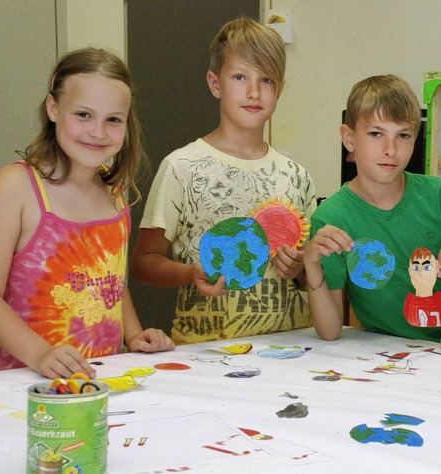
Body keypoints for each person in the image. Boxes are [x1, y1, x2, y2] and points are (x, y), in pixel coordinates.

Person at [0, 47, 174, 379]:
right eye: (83, 114)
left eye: (113, 120)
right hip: (24, 386)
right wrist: (40, 354)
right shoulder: (15, 187)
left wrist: (134, 335)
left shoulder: (114, 195)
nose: (98, 131)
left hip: (102, 383)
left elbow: (110, 282)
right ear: (53, 107)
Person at [130, 17, 316, 344]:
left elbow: (314, 271)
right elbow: (144, 264)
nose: (254, 91)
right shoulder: (181, 167)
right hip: (208, 354)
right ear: (215, 84)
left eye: (267, 79)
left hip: (289, 351)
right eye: (240, 77)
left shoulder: (297, 176)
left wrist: (301, 269)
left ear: (280, 89)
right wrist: (191, 273)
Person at [303, 74, 441, 344]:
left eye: (403, 135)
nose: (390, 149)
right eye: (376, 134)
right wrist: (310, 262)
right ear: (349, 139)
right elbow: (329, 330)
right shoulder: (331, 218)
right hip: (392, 358)